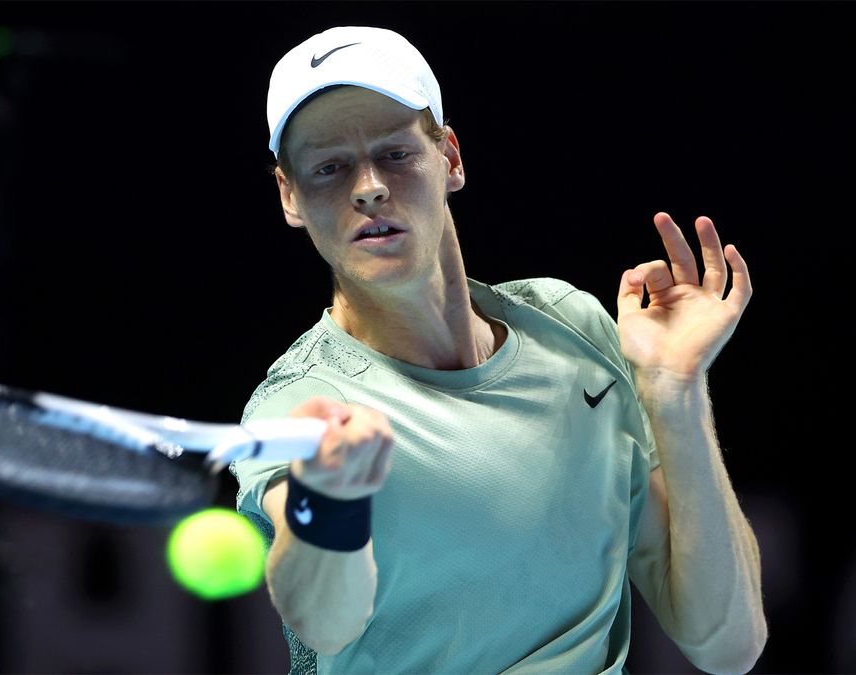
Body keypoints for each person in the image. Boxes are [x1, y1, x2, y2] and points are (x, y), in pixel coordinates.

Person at [230, 26, 767, 674]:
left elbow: (728, 643)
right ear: (290, 196)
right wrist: (327, 499)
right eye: (329, 167)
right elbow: (324, 619)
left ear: (450, 157)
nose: (368, 186)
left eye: (395, 153)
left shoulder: (573, 330)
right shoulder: (302, 405)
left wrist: (674, 392)